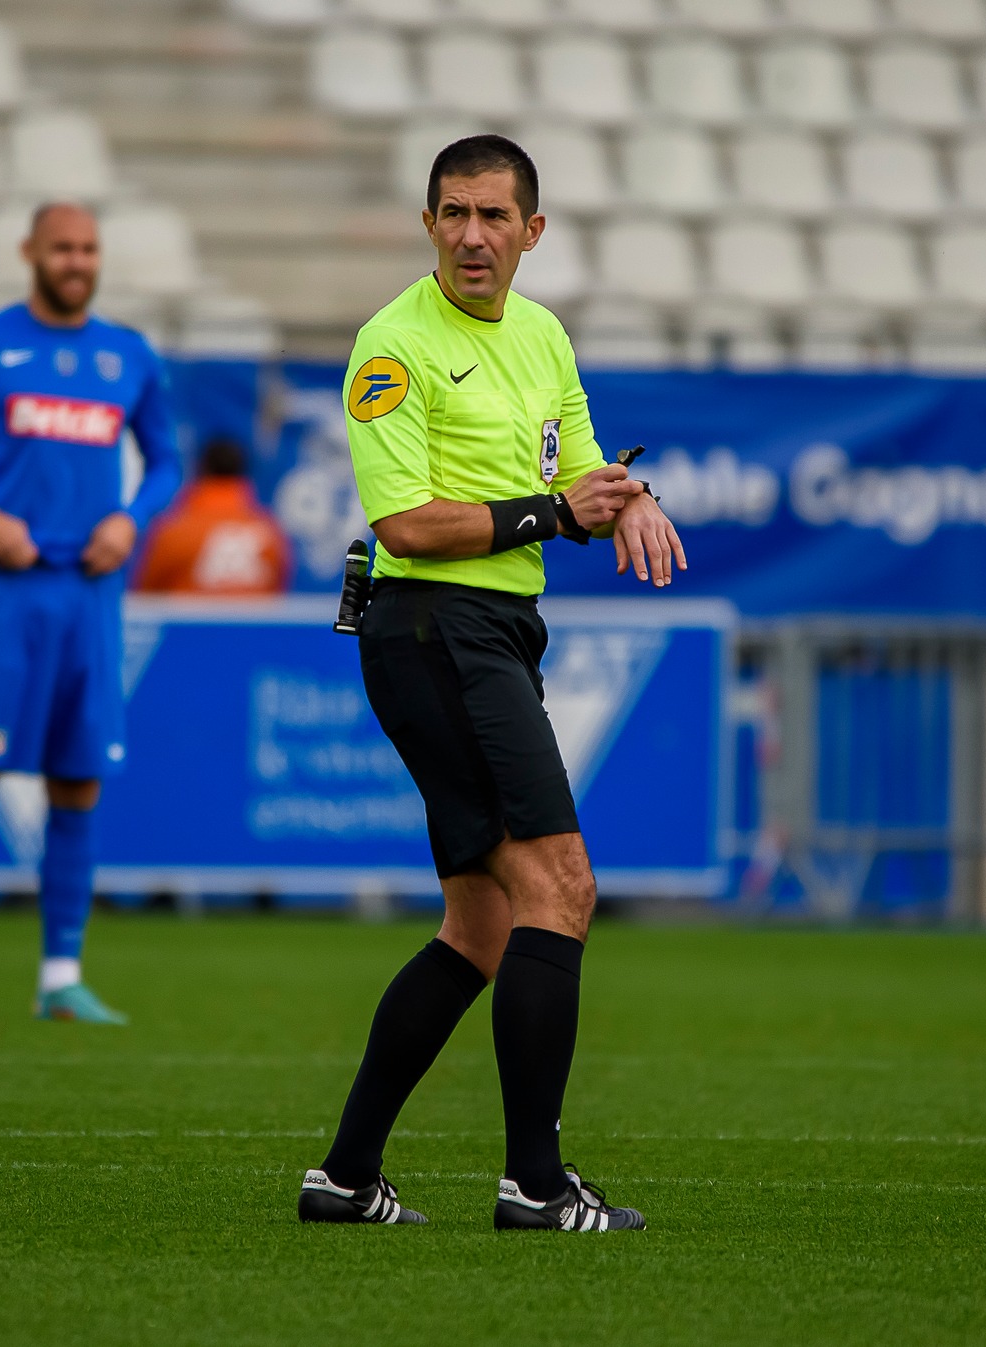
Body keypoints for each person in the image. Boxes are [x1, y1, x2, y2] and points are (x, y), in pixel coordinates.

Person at [298, 135, 686, 1233]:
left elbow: (577, 471)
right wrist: (556, 517)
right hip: (431, 625)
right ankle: (534, 1183)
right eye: (454, 213)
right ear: (427, 224)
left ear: (532, 231)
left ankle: (342, 1177)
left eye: (494, 216)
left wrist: (626, 494)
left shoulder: (541, 333)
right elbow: (404, 523)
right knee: (558, 885)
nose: (473, 234)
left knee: (479, 922)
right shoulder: (391, 345)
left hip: (488, 632)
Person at [0, 202, 182, 1026]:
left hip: (89, 595)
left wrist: (130, 520)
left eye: (89, 248)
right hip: (1, 595)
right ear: (30, 253)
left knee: (78, 784)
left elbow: (166, 462)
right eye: (63, 247)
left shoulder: (130, 356)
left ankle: (60, 975)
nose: (77, 261)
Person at [132, 438, 294, 595]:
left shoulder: (174, 529)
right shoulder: (270, 531)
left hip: (187, 621)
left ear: (201, 469)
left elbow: (147, 594)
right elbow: (278, 589)